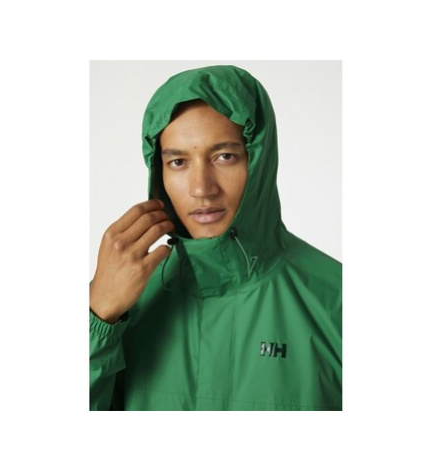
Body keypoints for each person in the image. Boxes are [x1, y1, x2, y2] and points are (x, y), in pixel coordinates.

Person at [89, 65, 342, 411]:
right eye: (178, 162)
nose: (201, 189)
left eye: (224, 156)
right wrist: (97, 320)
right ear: (158, 172)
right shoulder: (120, 303)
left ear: (258, 159)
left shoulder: (337, 302)